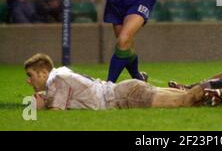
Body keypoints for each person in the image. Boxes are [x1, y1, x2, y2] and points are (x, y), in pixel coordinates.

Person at [25, 53, 204, 110]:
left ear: (42, 73)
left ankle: (213, 87)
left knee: (186, 100)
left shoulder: (57, 79)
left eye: (31, 75)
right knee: (189, 98)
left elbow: (57, 111)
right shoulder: (62, 71)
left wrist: (40, 106)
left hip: (124, 98)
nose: (28, 81)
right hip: (126, 90)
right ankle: (211, 91)